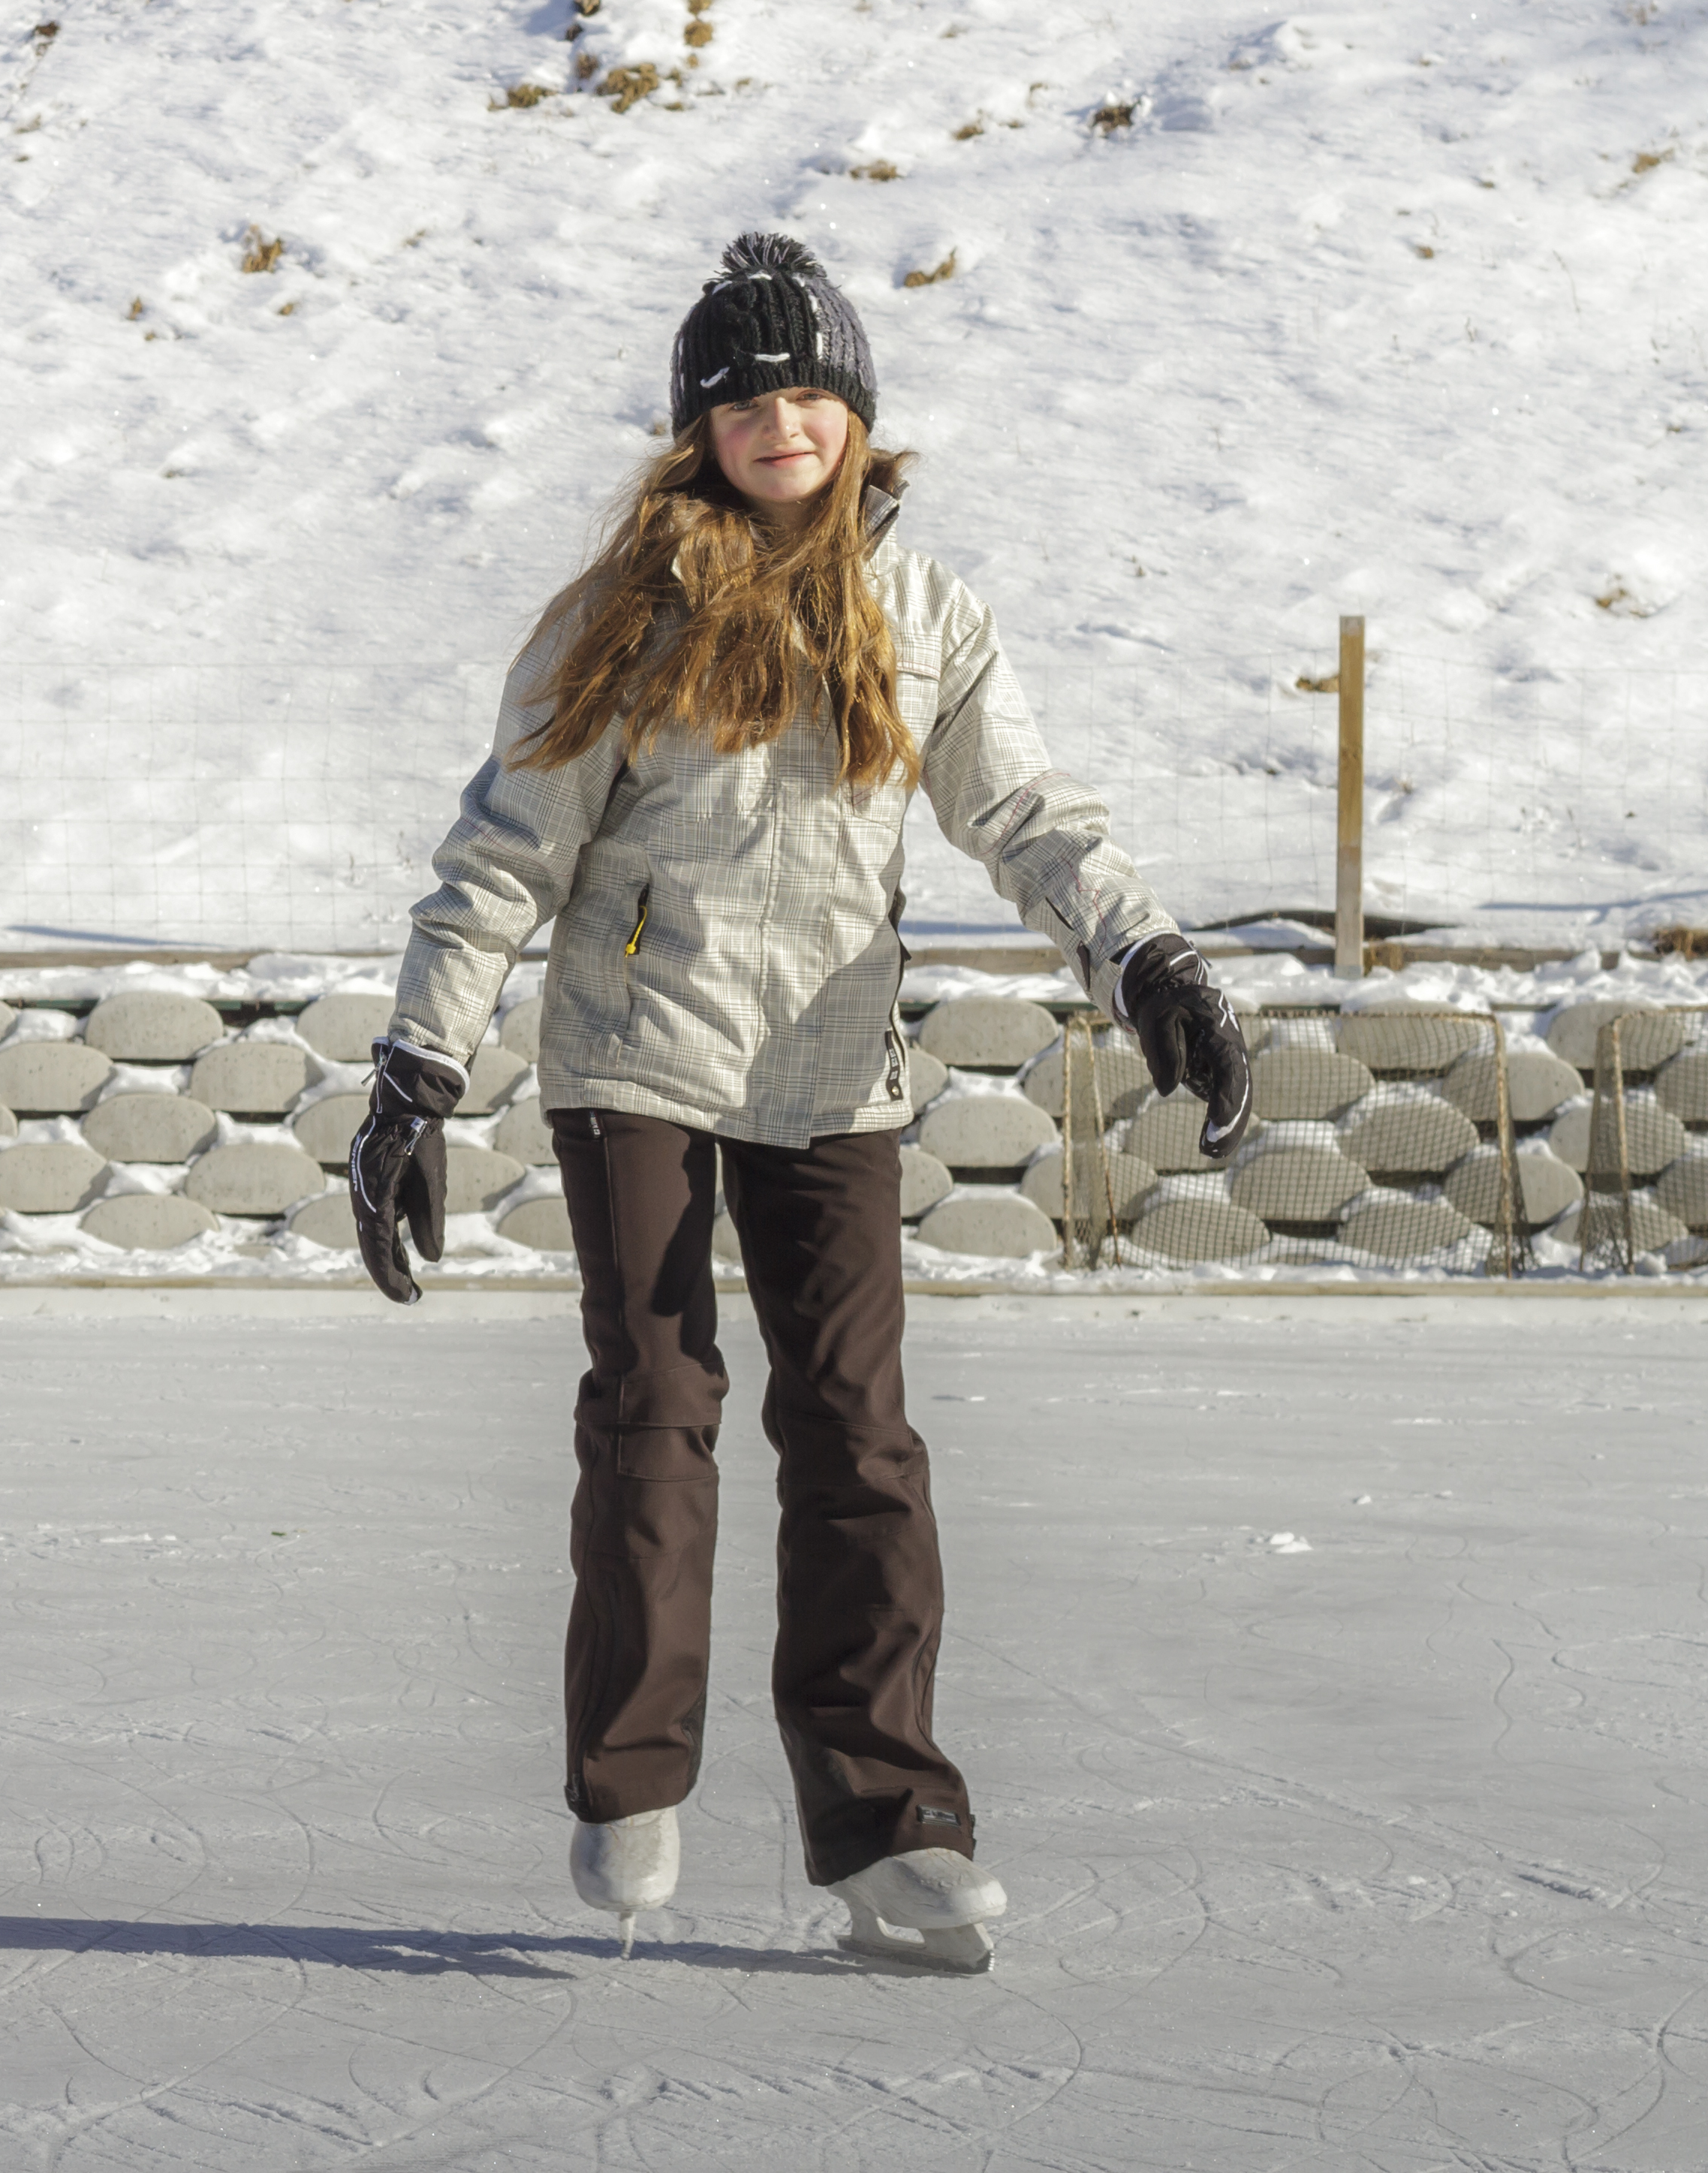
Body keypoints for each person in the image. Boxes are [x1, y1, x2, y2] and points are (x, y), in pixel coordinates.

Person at [348, 234, 1252, 1973]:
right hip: (637, 1049)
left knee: (856, 1433)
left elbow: (1025, 815)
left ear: (856, 413)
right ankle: (629, 1779)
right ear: (698, 428)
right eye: (745, 397)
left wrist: (1143, 959)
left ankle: (889, 1826)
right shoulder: (620, 617)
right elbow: (502, 853)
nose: (782, 420)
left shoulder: (925, 615)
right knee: (656, 1399)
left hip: (829, 1066)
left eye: (810, 391)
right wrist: (416, 1064)